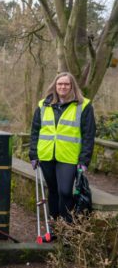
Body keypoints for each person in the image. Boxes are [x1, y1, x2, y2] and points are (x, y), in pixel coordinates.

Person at [29, 72, 96, 224]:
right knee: (53, 191)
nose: (63, 87)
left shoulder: (83, 105)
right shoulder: (43, 105)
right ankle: (54, 226)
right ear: (55, 86)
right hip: (46, 154)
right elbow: (35, 131)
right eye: (60, 84)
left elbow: (88, 134)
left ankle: (66, 228)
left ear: (72, 86)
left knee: (65, 191)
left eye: (66, 84)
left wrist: (84, 159)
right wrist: (33, 153)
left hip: (69, 156)